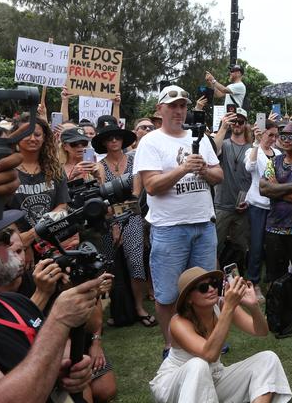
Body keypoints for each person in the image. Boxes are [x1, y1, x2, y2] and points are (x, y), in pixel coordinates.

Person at [0, 209, 111, 403]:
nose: (14, 247)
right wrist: (58, 319)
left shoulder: (14, 301)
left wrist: (64, 368)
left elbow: (45, 350)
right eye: (3, 240)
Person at [134, 85, 223, 358]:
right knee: (168, 294)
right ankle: (171, 346)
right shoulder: (151, 142)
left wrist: (205, 170)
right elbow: (151, 186)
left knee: (205, 289)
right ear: (160, 109)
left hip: (203, 225)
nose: (178, 110)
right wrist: (184, 168)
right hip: (169, 228)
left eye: (182, 105)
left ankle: (205, 340)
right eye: (172, 105)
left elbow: (218, 175)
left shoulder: (200, 137)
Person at [149, 266, 292, 403]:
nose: (211, 289)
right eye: (203, 288)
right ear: (189, 299)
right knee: (199, 365)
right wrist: (229, 307)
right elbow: (209, 354)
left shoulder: (221, 305)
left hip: (213, 376)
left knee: (268, 358)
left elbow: (261, 331)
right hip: (175, 385)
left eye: (213, 283)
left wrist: (253, 306)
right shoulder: (178, 322)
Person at [92, 115, 154, 327]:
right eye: (109, 139)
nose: (114, 141)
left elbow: (136, 195)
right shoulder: (99, 167)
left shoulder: (136, 160)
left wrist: (123, 215)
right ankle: (119, 309)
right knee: (112, 266)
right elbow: (102, 200)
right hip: (109, 222)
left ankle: (139, 306)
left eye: (117, 137)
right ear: (103, 142)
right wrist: (115, 222)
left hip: (134, 218)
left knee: (136, 263)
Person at [259, 122, 292, 332]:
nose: (286, 140)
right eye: (283, 136)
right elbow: (263, 188)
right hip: (274, 226)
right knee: (274, 273)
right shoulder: (274, 161)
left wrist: (278, 191)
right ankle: (275, 310)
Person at [6, 115, 74, 252]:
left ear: (44, 138)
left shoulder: (55, 169)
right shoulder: (6, 170)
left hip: (51, 243)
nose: (32, 139)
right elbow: (3, 212)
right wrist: (21, 244)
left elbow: (62, 206)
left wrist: (33, 235)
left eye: (37, 134)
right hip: (14, 245)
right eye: (26, 134)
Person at [244, 120, 280, 302]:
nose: (273, 138)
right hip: (258, 205)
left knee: (274, 246)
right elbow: (249, 168)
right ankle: (253, 283)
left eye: (275, 135)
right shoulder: (253, 151)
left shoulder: (279, 153)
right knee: (256, 246)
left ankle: (273, 281)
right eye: (270, 134)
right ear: (262, 133)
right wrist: (257, 144)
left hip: (276, 205)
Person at [211, 109, 252, 271]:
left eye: (240, 122)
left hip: (243, 206)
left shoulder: (251, 148)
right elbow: (213, 151)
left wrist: (248, 200)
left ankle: (236, 283)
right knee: (215, 247)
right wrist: (223, 127)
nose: (237, 124)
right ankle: (216, 281)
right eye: (234, 121)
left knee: (240, 249)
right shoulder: (225, 144)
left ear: (245, 125)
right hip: (222, 204)